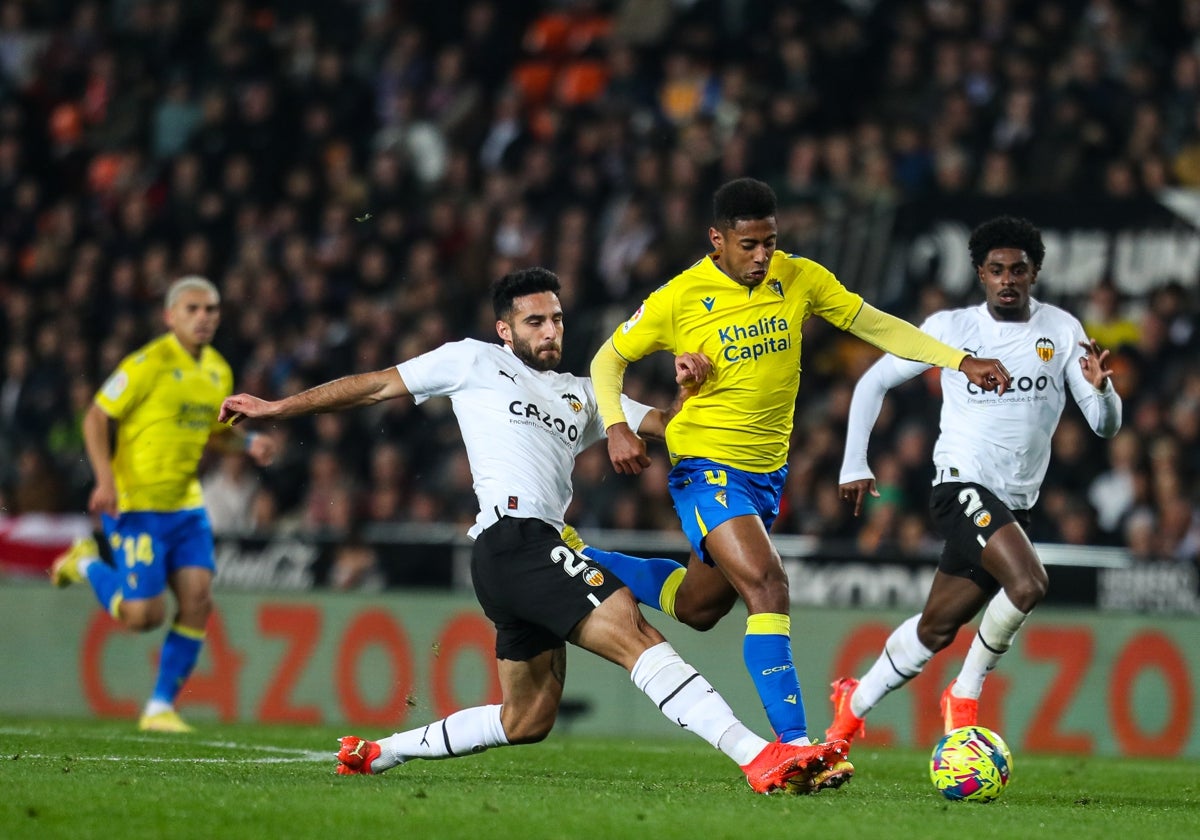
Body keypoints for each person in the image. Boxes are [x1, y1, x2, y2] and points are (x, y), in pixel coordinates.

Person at [217, 267, 852, 794]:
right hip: (514, 539)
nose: (550, 332)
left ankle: (378, 751)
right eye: (535, 321)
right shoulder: (472, 362)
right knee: (633, 630)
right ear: (505, 329)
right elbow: (375, 384)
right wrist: (277, 406)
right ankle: (756, 757)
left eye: (556, 320)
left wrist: (697, 386)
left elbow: (673, 429)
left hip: (523, 555)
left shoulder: (582, 394)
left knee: (527, 719)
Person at [577, 177, 1012, 751]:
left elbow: (875, 324)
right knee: (768, 585)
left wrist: (957, 360)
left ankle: (579, 559)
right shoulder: (679, 297)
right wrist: (615, 427)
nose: (763, 257)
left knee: (697, 605)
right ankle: (799, 746)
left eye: (770, 242)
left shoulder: (798, 276)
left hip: (764, 477)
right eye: (750, 245)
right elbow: (606, 360)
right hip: (705, 464)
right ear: (717, 240)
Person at [826, 216, 1122, 746]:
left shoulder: (1062, 329)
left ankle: (851, 708)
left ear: (1035, 273)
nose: (1007, 279)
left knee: (935, 629)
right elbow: (874, 381)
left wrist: (1103, 393)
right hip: (960, 484)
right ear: (980, 274)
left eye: (1018, 269)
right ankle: (964, 694)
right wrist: (854, 462)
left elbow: (1104, 426)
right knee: (1028, 583)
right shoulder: (950, 329)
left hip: (1013, 503)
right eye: (996, 270)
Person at [50, 276, 278, 733]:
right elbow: (96, 417)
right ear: (169, 316)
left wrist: (248, 442)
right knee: (143, 617)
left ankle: (159, 707)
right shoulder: (147, 363)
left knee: (198, 600)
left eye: (211, 309)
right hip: (135, 504)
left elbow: (213, 433)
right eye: (192, 309)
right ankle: (86, 563)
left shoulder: (218, 370)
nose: (203, 317)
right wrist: (104, 479)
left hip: (186, 508)